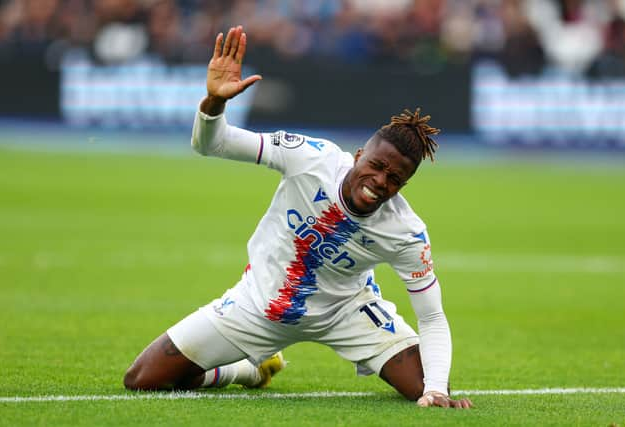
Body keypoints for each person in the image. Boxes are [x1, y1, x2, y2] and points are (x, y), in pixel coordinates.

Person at [123, 25, 473, 410]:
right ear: (358, 156)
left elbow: (433, 317)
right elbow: (214, 144)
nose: (379, 181)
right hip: (260, 303)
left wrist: (437, 388)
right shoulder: (310, 157)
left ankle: (420, 379)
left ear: (403, 186)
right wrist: (214, 104)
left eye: (395, 179)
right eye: (375, 166)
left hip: (347, 312)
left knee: (425, 387)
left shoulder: (406, 233)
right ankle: (246, 371)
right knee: (144, 379)